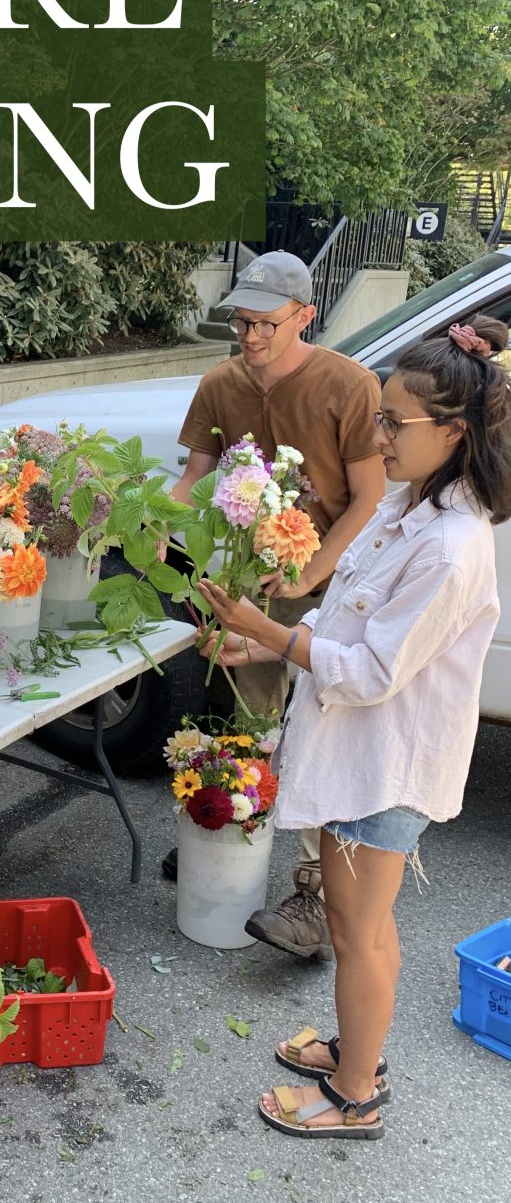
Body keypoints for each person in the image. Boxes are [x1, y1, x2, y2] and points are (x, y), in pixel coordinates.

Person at [197, 317, 509, 1138]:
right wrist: (259, 641)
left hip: (390, 765)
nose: (377, 436)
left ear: (455, 431)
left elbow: (371, 672)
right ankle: (356, 1052)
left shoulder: (453, 546)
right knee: (362, 921)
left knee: (354, 927)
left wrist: (268, 632)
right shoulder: (410, 504)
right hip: (364, 752)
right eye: (380, 415)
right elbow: (343, 619)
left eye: (392, 423)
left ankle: (355, 1094)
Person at [164, 250, 386, 958]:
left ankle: (315, 896)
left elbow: (370, 498)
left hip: (337, 584)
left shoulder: (350, 385)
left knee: (325, 734)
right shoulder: (219, 384)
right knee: (253, 723)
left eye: (265, 323)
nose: (250, 336)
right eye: (241, 320)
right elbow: (194, 482)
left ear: (305, 316)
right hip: (249, 581)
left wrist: (311, 573)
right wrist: (141, 523)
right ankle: (235, 845)